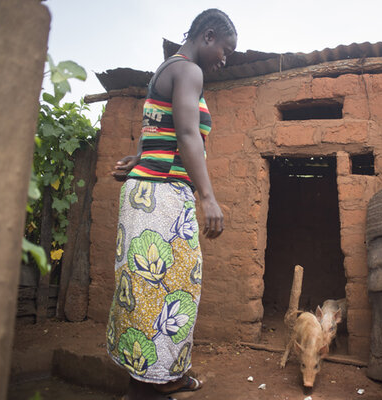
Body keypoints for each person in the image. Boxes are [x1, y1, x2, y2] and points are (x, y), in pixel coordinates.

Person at [106, 9, 237, 400]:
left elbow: (157, 130)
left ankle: (167, 375)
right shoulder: (189, 71)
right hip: (162, 196)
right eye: (226, 50)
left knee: (157, 288)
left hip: (147, 191)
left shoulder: (166, 70)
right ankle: (144, 388)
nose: (225, 59)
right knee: (166, 289)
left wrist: (140, 157)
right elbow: (186, 133)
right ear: (208, 36)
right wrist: (208, 197)